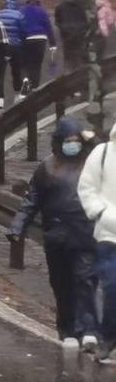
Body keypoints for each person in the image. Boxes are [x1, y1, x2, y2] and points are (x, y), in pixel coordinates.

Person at [9, 118, 98, 367]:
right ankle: (67, 330)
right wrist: (18, 227)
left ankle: (88, 330)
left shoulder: (92, 164)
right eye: (68, 141)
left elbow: (108, 155)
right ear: (59, 142)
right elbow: (31, 202)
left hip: (85, 233)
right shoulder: (46, 169)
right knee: (62, 285)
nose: (73, 145)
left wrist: (92, 138)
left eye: (76, 141)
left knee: (86, 279)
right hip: (57, 237)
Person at [77, 122, 116, 364]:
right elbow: (87, 188)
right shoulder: (102, 153)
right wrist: (101, 213)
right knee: (112, 285)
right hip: (108, 235)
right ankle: (108, 336)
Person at [20, 0, 55, 93]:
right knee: (37, 64)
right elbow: (48, 27)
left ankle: (25, 79)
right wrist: (52, 43)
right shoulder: (42, 11)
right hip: (40, 39)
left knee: (25, 63)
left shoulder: (22, 11)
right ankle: (35, 88)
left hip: (27, 38)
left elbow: (20, 25)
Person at [56, 0, 92, 74]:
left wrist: (62, 28)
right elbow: (86, 20)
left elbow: (58, 19)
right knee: (80, 55)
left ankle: (69, 77)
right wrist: (85, 29)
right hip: (80, 33)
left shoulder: (62, 2)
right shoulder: (81, 2)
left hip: (66, 33)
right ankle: (81, 78)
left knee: (68, 57)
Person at [0, 0, 26, 103]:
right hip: (16, 46)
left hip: (2, 47)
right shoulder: (19, 15)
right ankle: (17, 95)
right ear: (15, 3)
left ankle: (0, 99)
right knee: (16, 71)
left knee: (0, 73)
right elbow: (23, 32)